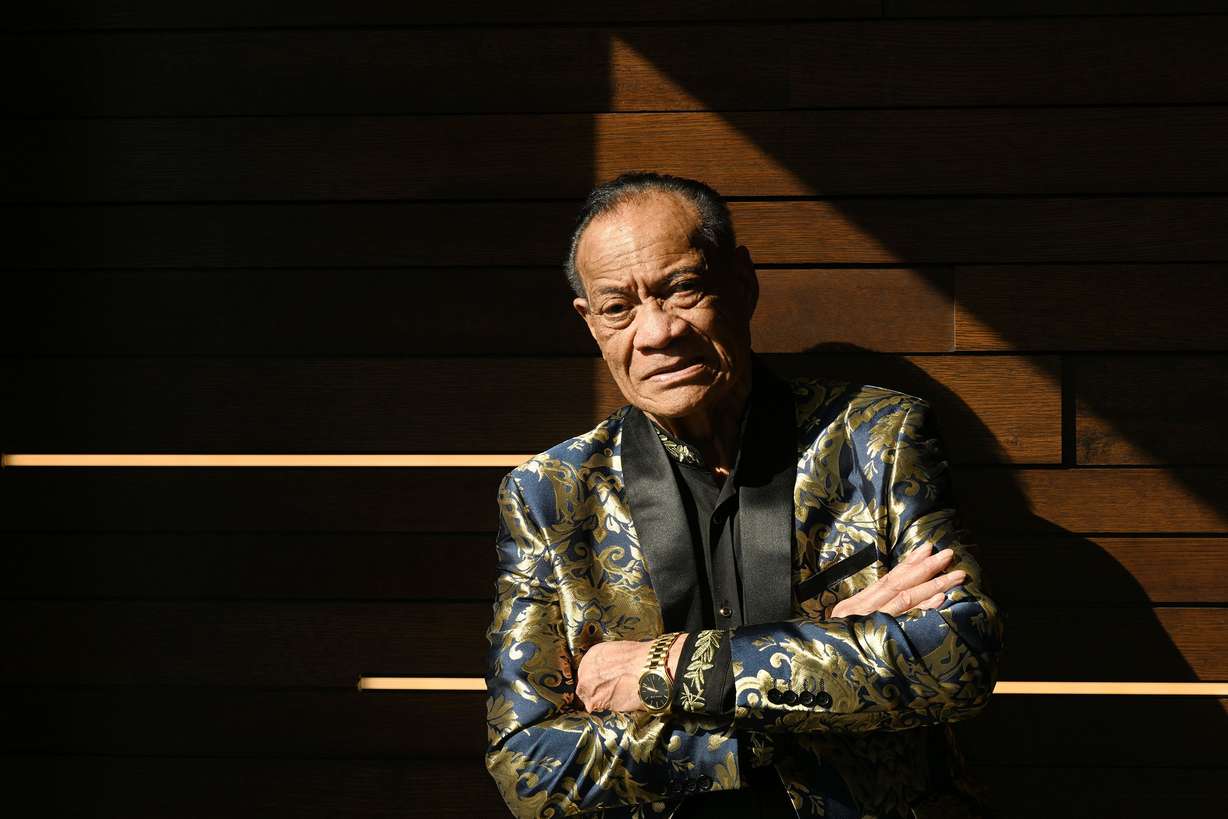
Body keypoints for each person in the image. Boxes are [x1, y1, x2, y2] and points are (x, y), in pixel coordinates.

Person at [483, 171, 1005, 819]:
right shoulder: (548, 492)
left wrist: (666, 669)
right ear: (591, 324)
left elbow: (955, 658)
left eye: (682, 290)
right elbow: (528, 766)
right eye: (618, 308)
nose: (656, 332)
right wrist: (809, 670)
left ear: (742, 283)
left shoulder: (877, 436)